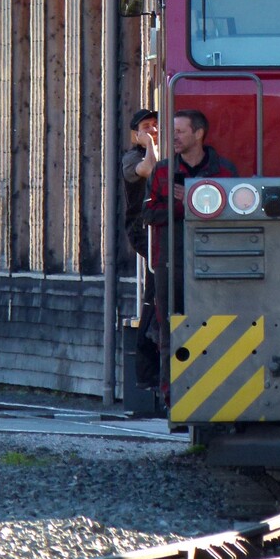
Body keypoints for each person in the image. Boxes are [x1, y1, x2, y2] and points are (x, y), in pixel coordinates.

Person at [144, 109, 237, 390]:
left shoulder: (225, 171)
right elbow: (148, 214)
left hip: (216, 259)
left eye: (181, 131)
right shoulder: (162, 171)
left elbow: (236, 212)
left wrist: (195, 201)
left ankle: (218, 390)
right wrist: (190, 205)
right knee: (169, 325)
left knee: (216, 321)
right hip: (170, 260)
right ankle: (171, 395)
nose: (174, 137)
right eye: (173, 132)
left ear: (199, 134)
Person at [121, 108, 159, 387]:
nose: (153, 130)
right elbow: (150, 169)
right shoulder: (133, 157)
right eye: (147, 127)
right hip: (141, 229)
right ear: (136, 134)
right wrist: (151, 145)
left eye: (157, 125)